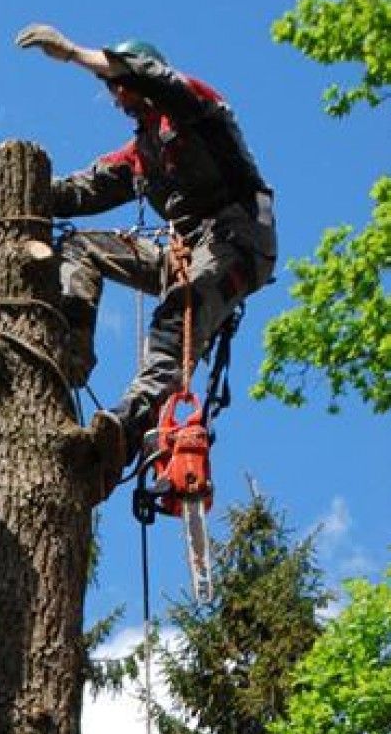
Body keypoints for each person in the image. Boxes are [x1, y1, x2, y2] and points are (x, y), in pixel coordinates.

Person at [14, 25, 277, 502]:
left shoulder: (197, 108)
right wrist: (20, 193)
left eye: (121, 87)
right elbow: (85, 189)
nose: (118, 99)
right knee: (82, 247)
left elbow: (157, 79)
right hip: (183, 255)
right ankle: (71, 351)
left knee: (176, 320)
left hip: (236, 241)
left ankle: (125, 428)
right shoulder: (141, 155)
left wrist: (74, 54)